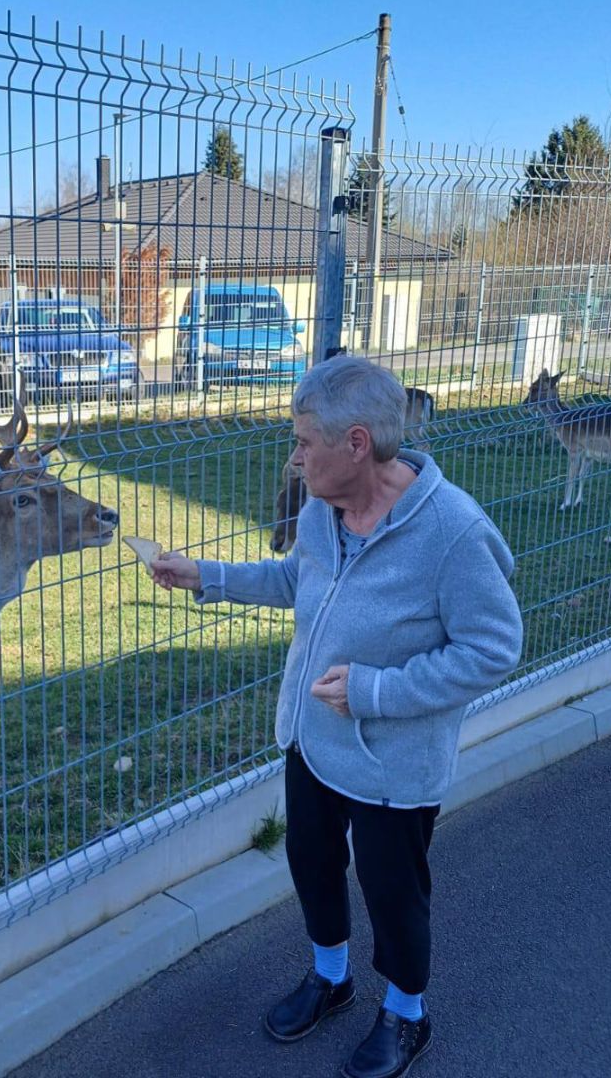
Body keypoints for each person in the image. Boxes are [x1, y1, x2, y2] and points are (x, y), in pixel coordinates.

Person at [149, 357, 522, 1078]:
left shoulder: (452, 530)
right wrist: (207, 577)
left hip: (393, 762)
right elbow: (297, 579)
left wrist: (374, 692)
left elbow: (493, 648)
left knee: (392, 892)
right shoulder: (323, 510)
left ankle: (407, 1014)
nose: (294, 457)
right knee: (311, 860)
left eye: (303, 441)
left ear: (356, 444)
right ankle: (332, 977)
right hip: (313, 738)